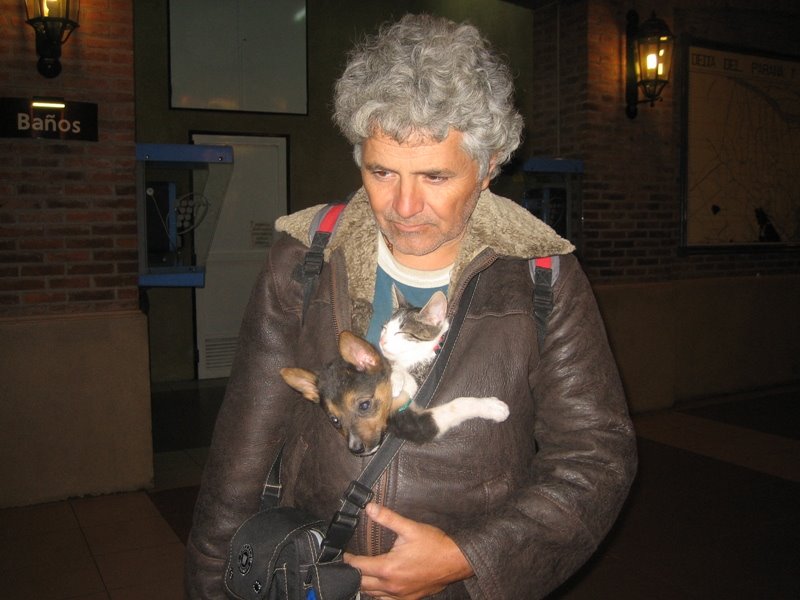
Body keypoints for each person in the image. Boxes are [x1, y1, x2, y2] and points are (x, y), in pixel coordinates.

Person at [185, 13, 636, 600]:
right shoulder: (305, 256)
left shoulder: (542, 274)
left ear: (490, 165)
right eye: (381, 171)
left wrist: (467, 558)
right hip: (315, 574)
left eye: (434, 175)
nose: (402, 205)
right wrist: (209, 583)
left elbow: (596, 454)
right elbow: (243, 446)